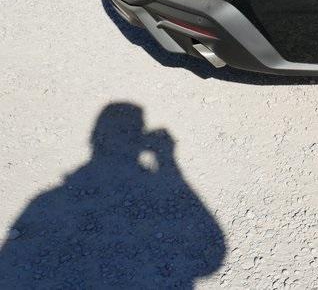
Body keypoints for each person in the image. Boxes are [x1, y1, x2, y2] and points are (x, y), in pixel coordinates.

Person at [0, 103, 225, 287]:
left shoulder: (46, 201)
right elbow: (212, 258)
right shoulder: (48, 201)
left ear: (93, 138)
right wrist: (167, 161)